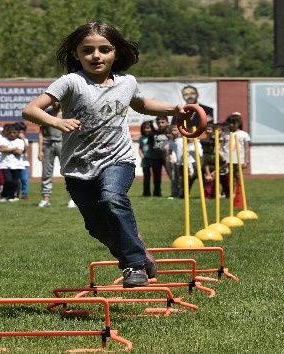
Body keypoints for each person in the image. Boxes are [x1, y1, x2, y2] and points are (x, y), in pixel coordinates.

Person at [22, 21, 189, 288]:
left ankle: (133, 265)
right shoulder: (71, 82)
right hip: (78, 165)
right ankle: (139, 252)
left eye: (104, 49)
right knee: (98, 228)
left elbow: (143, 105)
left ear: (116, 52)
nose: (96, 56)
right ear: (76, 54)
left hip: (117, 158)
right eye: (87, 50)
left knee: (112, 199)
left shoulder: (127, 82)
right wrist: (56, 122)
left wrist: (174, 109)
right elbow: (31, 110)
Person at [37, 102, 76, 208]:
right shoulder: (46, 114)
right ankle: (45, 199)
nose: (56, 103)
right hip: (47, 145)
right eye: (54, 100)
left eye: (58, 100)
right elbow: (41, 133)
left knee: (68, 172)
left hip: (63, 145)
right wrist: (40, 150)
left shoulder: (67, 113)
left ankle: (72, 199)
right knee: (46, 173)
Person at [221, 112, 251, 199]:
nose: (231, 125)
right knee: (226, 177)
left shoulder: (244, 134)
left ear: (239, 123)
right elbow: (221, 146)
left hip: (239, 159)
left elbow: (246, 148)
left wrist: (246, 160)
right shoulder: (224, 134)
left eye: (234, 123)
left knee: (238, 176)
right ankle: (227, 193)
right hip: (226, 159)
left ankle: (238, 193)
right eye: (229, 122)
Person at [0, 123, 25, 202]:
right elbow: (2, 149)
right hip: (5, 164)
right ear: (7, 132)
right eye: (10, 133)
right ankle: (4, 194)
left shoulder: (20, 141)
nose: (12, 134)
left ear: (17, 133)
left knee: (15, 181)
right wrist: (14, 149)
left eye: (14, 133)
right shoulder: (3, 140)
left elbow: (19, 152)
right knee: (8, 180)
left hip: (17, 164)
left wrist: (8, 149)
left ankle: (12, 196)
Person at [149, 117, 170, 197]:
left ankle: (176, 192)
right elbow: (150, 145)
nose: (160, 124)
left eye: (162, 122)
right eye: (158, 122)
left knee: (172, 175)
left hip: (168, 157)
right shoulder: (152, 133)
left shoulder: (170, 132)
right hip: (156, 158)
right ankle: (157, 193)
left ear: (167, 122)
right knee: (156, 176)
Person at [138, 120, 154, 197]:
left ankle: (156, 192)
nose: (146, 130)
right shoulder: (141, 138)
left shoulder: (154, 137)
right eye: (144, 128)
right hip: (145, 160)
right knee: (146, 178)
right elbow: (140, 149)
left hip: (154, 159)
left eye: (148, 128)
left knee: (155, 177)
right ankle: (146, 193)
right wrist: (142, 157)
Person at [16, 121, 31, 200]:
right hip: (14, 163)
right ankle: (16, 194)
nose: (21, 134)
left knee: (24, 179)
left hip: (24, 163)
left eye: (22, 132)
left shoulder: (25, 140)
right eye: (19, 132)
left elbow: (25, 149)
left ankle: (24, 194)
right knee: (16, 180)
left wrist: (23, 139)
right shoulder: (13, 140)